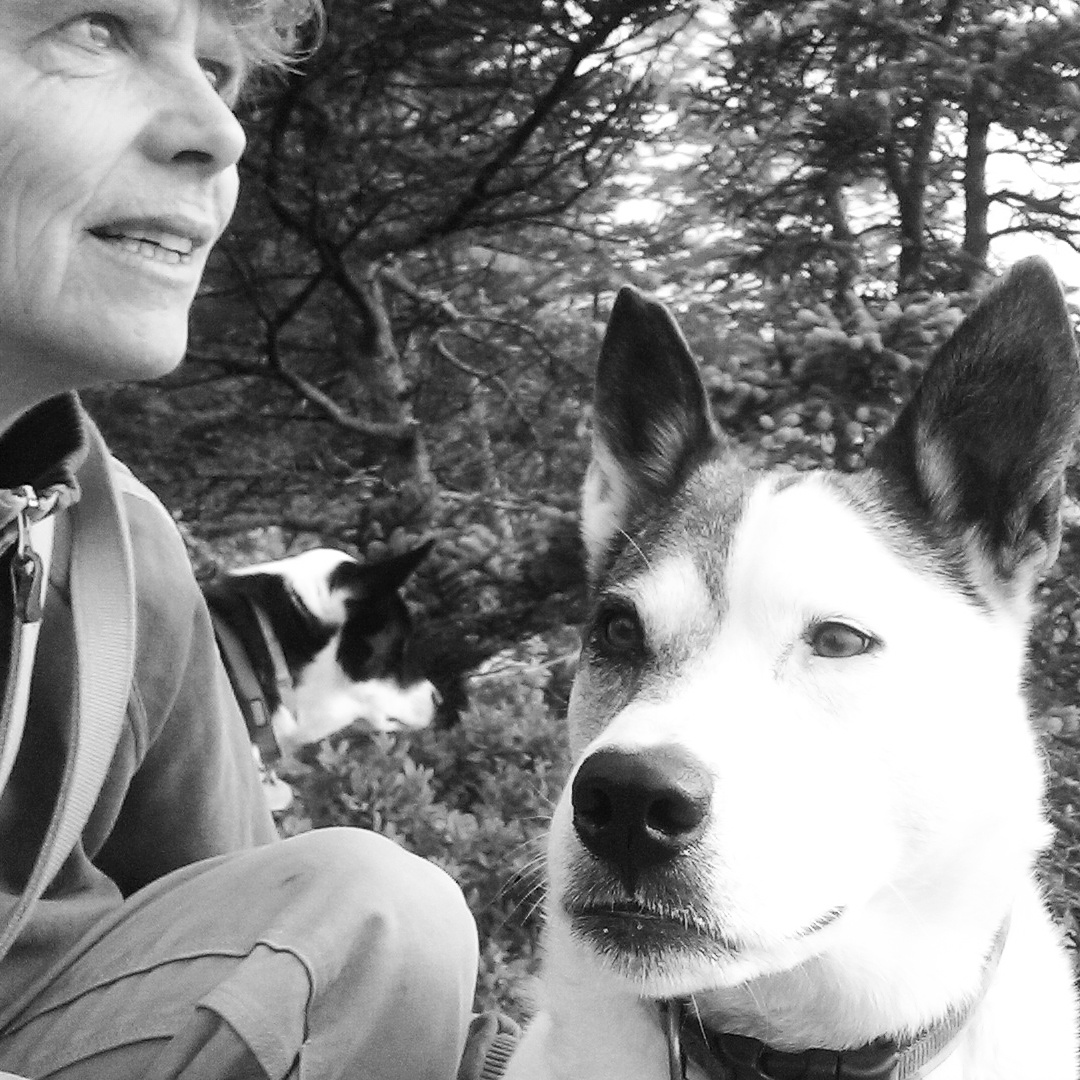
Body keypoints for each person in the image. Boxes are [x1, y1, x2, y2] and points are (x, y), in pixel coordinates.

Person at [0, 3, 480, 1078]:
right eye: (96, 30)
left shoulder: (119, 556)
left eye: (218, 69)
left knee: (373, 915)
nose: (221, 132)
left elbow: (290, 953)